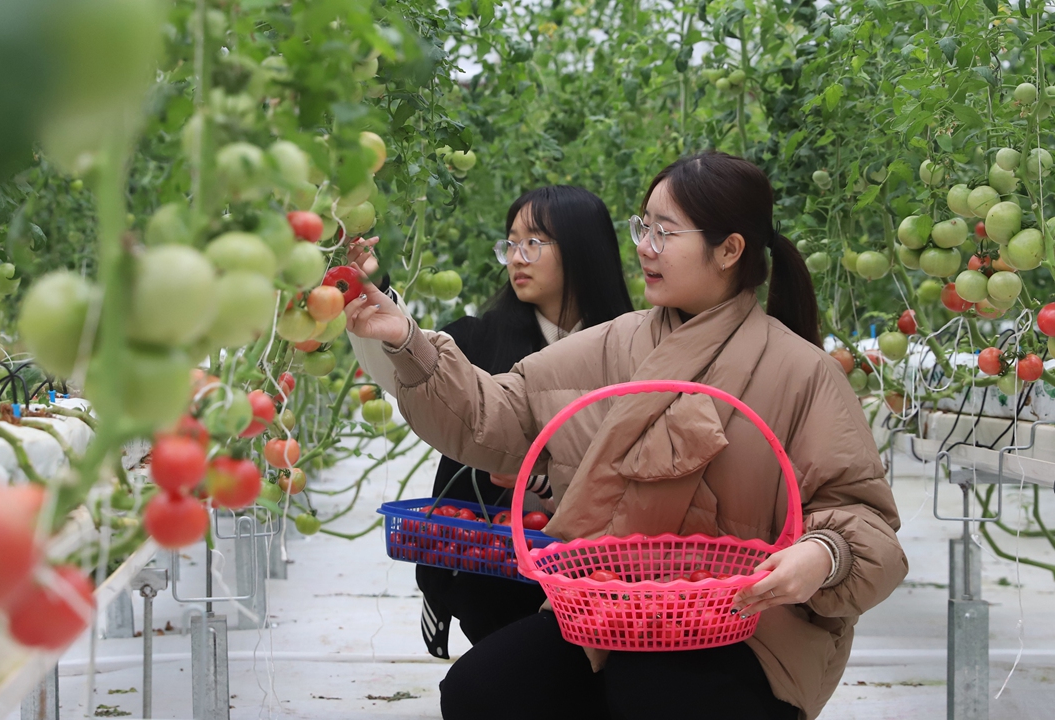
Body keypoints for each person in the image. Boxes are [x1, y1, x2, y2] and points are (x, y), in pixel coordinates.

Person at [345, 152, 908, 720]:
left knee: (651, 691)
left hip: (751, 626)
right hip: (611, 613)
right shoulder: (616, 344)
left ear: (730, 249)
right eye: (643, 227)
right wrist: (406, 341)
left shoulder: (801, 371)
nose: (645, 246)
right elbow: (502, 411)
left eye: (666, 232)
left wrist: (822, 555)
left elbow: (862, 518)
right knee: (482, 690)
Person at [345, 185, 634, 659]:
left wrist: (548, 477)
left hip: (595, 565)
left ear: (584, 250)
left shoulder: (631, 347)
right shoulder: (476, 340)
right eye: (511, 243)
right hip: (491, 563)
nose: (516, 257)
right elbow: (407, 375)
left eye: (533, 243)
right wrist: (373, 293)